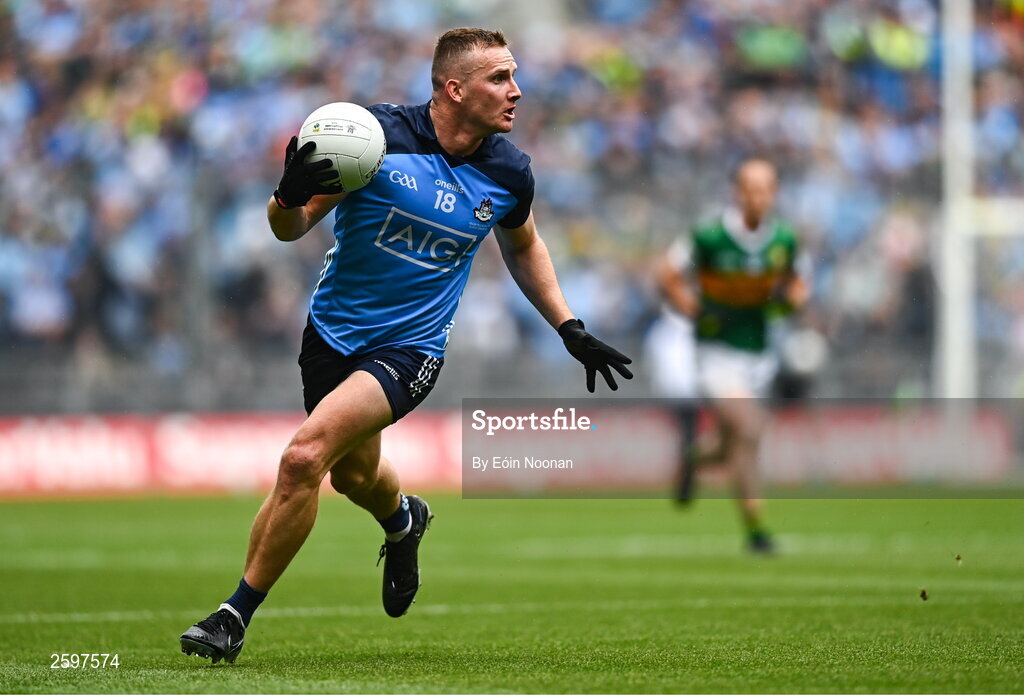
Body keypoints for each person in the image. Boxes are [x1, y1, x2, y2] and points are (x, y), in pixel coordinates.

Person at [177, 27, 631, 665]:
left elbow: (524, 246)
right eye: (499, 79)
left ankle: (232, 615)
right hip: (331, 336)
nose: (516, 91)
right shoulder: (372, 140)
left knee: (304, 459)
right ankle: (403, 520)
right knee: (354, 477)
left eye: (514, 76)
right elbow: (289, 228)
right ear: (454, 89)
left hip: (410, 351)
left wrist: (568, 326)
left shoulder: (510, 172)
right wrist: (286, 193)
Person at [655, 158, 808, 553]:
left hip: (759, 353)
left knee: (728, 440)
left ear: (774, 194)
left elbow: (797, 284)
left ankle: (692, 459)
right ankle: (756, 529)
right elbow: (666, 274)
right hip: (716, 352)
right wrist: (692, 309)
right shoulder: (709, 236)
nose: (758, 197)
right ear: (737, 193)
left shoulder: (784, 241)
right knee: (750, 427)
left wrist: (789, 301)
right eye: (750, 189)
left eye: (765, 189)